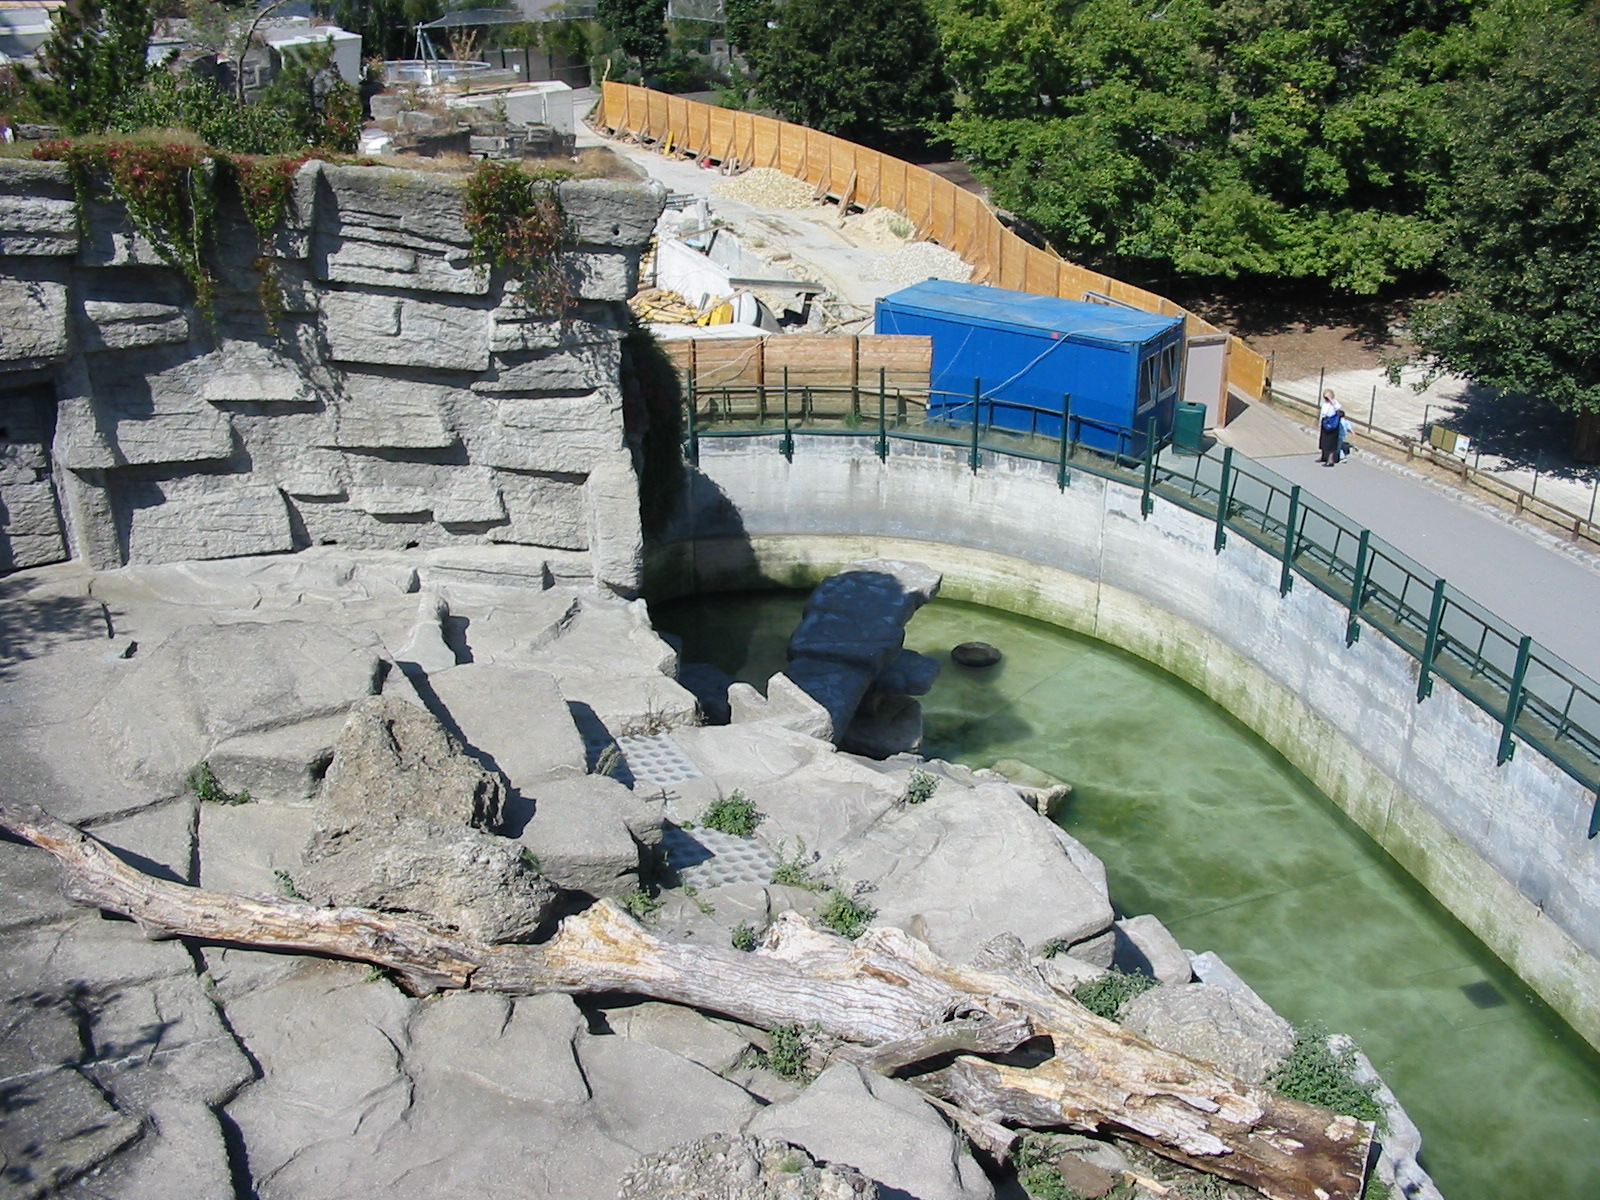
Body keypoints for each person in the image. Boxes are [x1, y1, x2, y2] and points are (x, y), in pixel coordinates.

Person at [1318, 391, 1341, 466]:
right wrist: (1319, 422)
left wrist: (1331, 399)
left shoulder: (1334, 403)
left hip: (1332, 424)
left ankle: (1330, 460)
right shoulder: (1324, 404)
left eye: (1327, 397)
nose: (1326, 398)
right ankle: (1323, 456)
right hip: (1325, 422)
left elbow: (1338, 407)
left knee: (1331, 443)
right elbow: (1322, 413)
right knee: (1323, 441)